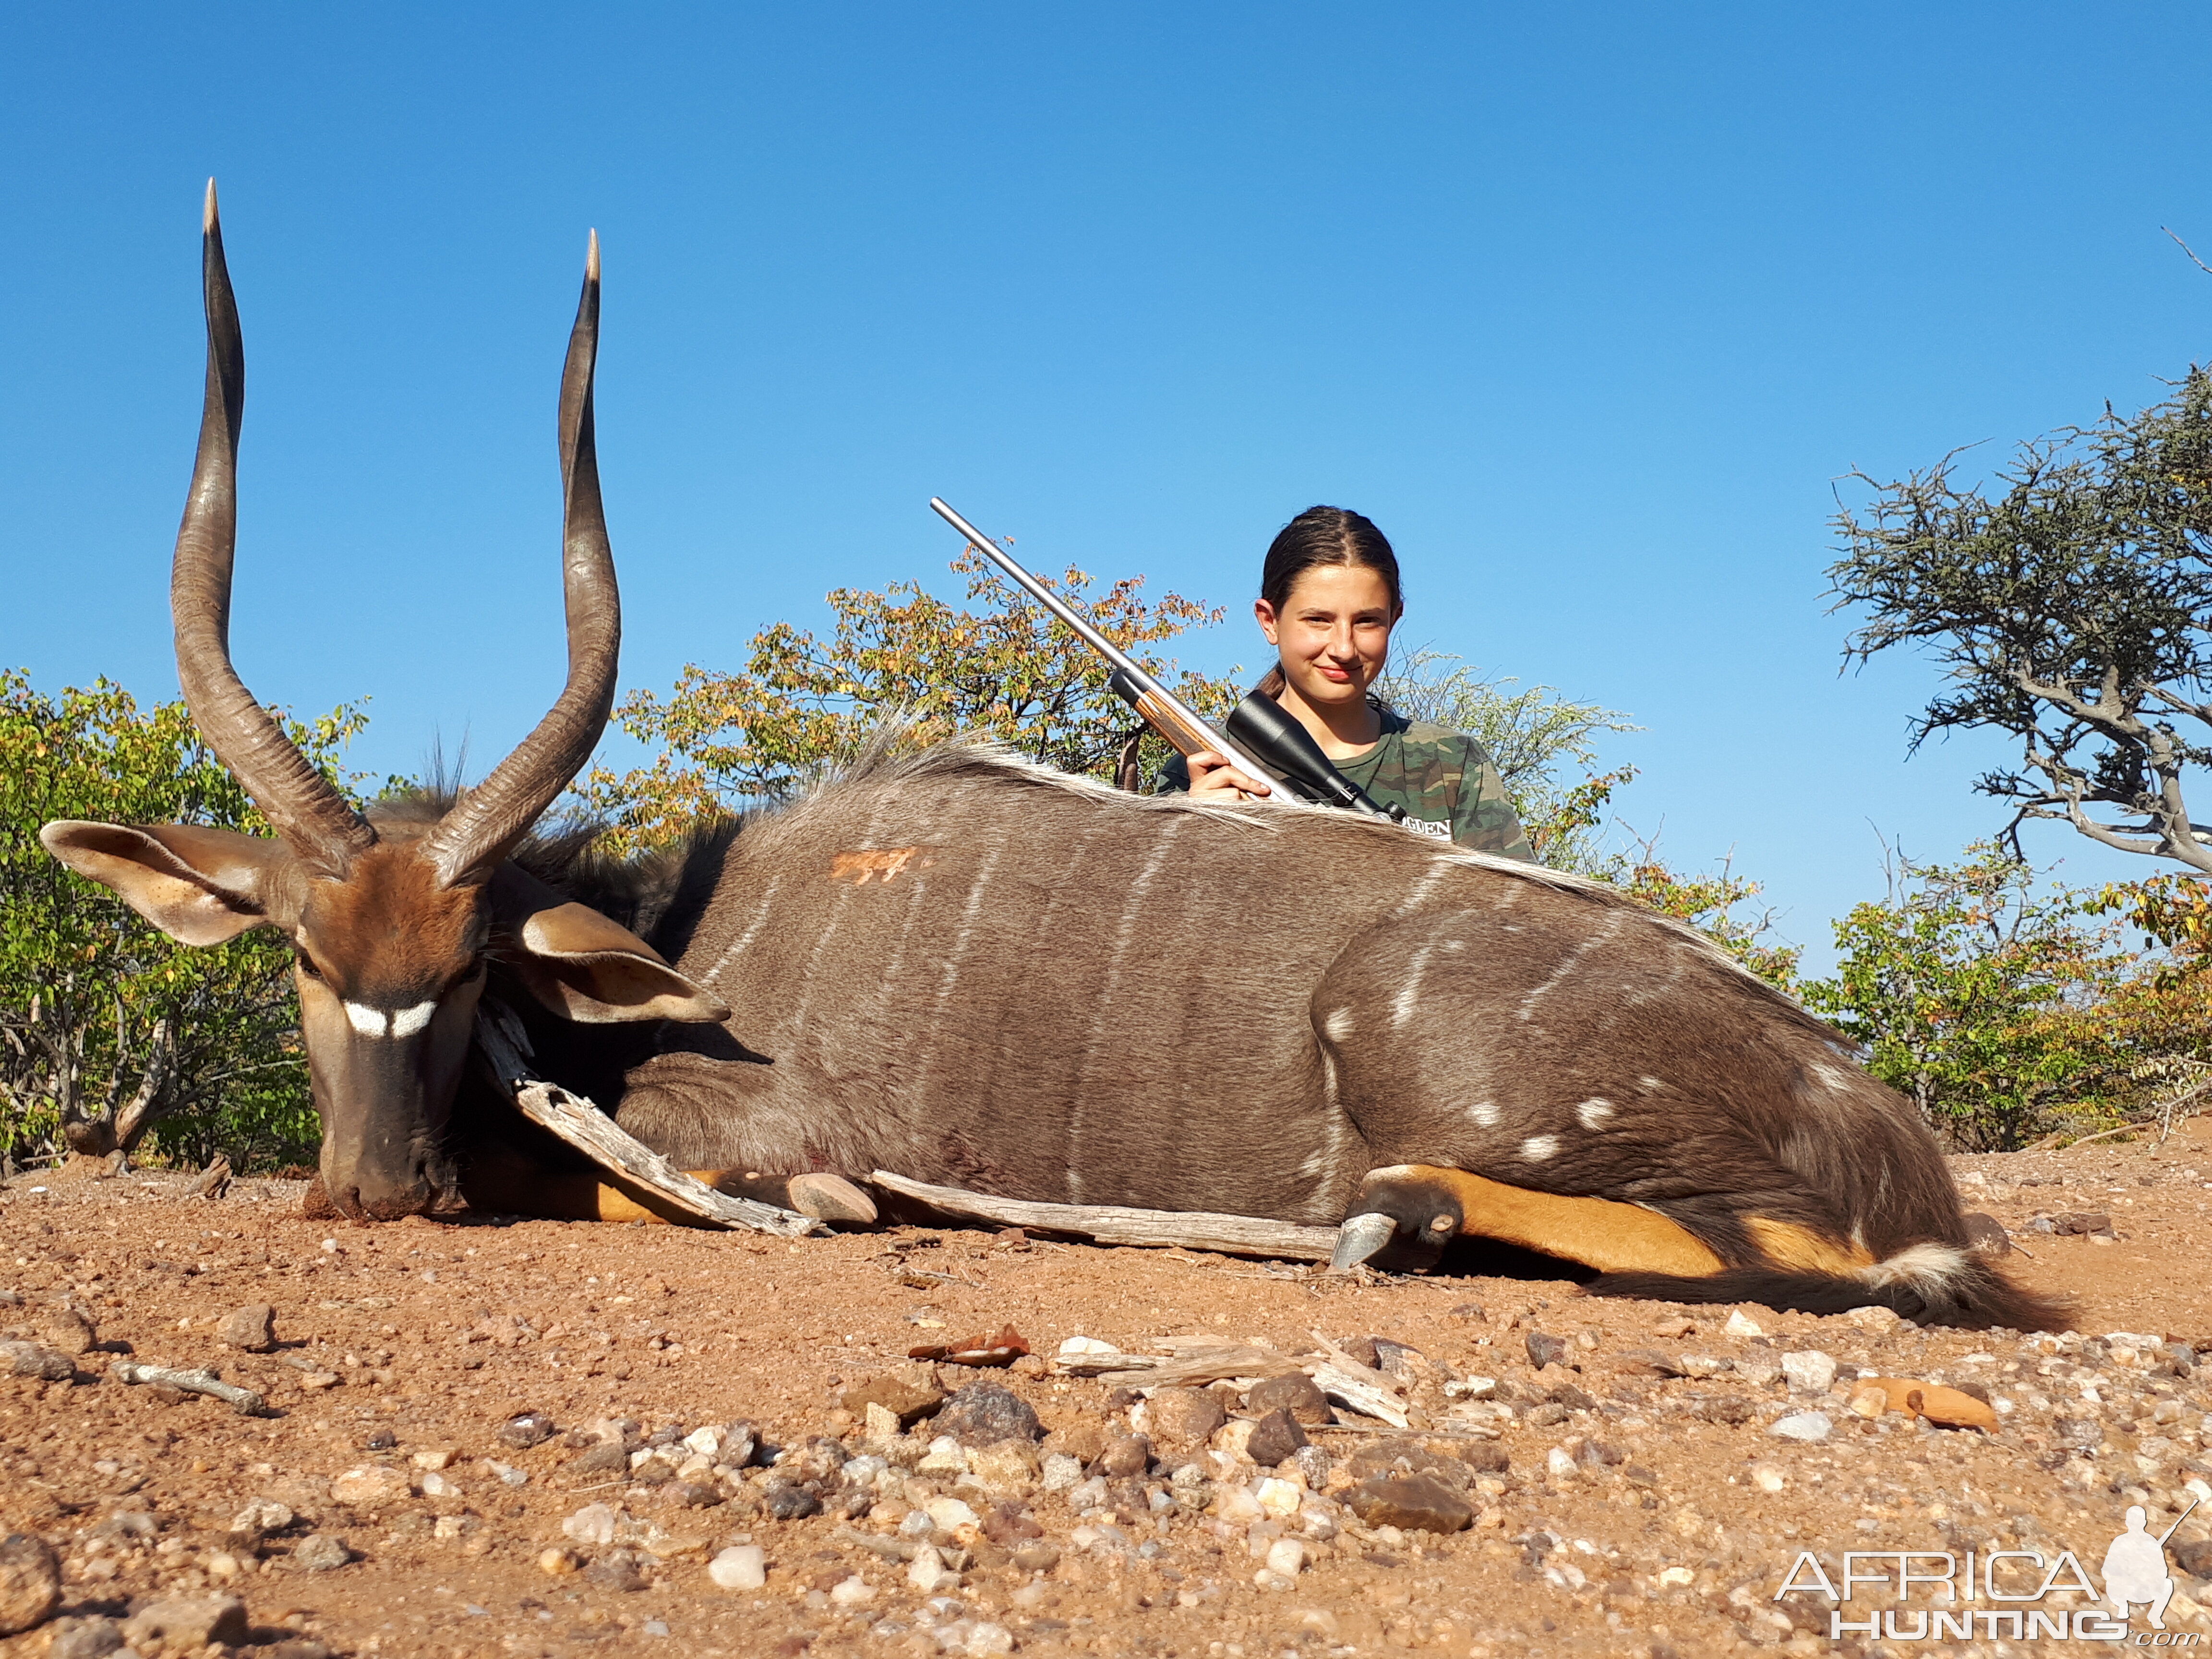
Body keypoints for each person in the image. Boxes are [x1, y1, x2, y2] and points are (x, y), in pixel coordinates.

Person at [1163, 505, 1534, 860]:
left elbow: (1519, 915)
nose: (1344, 648)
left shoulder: (1452, 764)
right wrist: (1191, 835)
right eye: (1318, 620)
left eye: (1368, 621)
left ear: (1395, 618)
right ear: (1269, 621)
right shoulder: (1202, 768)